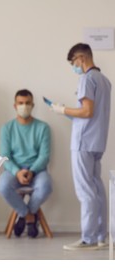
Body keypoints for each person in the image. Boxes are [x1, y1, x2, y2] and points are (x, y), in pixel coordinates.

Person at [50, 43, 111, 250]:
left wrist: (62, 109)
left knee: (86, 191)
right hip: (97, 142)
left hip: (83, 143)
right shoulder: (105, 81)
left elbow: (86, 112)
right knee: (97, 189)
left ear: (80, 58)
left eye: (73, 62)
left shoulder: (86, 78)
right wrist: (67, 112)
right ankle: (103, 236)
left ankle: (88, 239)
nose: (74, 66)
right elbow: (91, 114)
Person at [0, 89, 52, 238]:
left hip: (37, 170)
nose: (24, 106)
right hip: (14, 170)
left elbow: (44, 156)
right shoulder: (7, 128)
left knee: (46, 185)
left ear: (32, 105)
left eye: (27, 103)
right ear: (15, 106)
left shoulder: (43, 127)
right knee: (2, 186)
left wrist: (32, 171)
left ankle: (24, 216)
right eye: (21, 103)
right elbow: (5, 156)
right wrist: (17, 172)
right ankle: (29, 216)